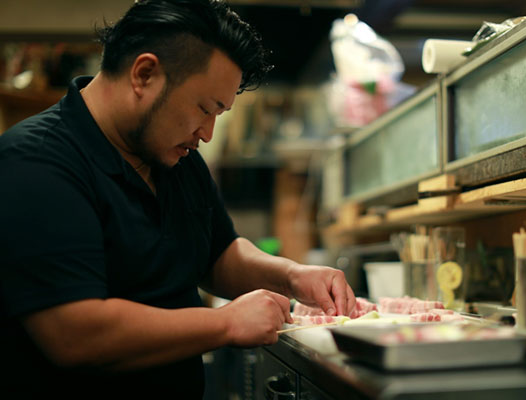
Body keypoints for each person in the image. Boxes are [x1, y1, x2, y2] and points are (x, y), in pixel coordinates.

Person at [0, 0, 356, 396]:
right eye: (204, 108)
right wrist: (227, 323)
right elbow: (75, 333)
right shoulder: (36, 162)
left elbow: (218, 253)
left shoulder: (175, 156)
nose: (207, 133)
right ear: (145, 73)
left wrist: (292, 275)